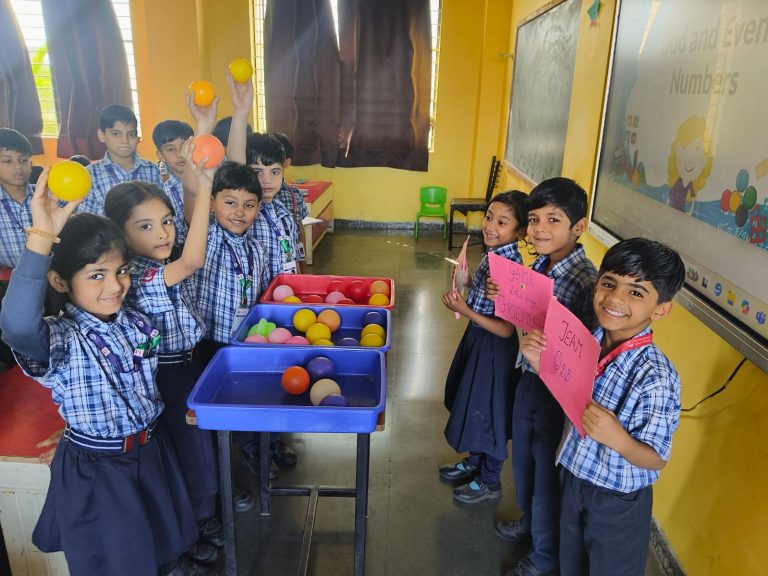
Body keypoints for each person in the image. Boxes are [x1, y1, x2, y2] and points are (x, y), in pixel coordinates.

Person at [0, 169, 211, 576]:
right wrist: (41, 239)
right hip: (101, 468)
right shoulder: (62, 338)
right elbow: (18, 327)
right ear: (60, 281)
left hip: (149, 450)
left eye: (121, 271)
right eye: (96, 275)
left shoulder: (134, 321)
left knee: (158, 541)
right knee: (118, 561)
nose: (114, 286)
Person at [527, 238, 685, 576]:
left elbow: (657, 458)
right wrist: (540, 364)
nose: (615, 298)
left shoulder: (656, 377)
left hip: (617, 500)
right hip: (573, 475)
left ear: (660, 309)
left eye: (636, 292)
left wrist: (619, 439)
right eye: (609, 283)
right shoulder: (586, 341)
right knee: (571, 563)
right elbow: (569, 396)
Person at [104, 147, 224, 552]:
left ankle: (202, 514)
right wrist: (206, 191)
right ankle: (195, 524)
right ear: (121, 234)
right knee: (186, 447)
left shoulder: (160, 259)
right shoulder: (136, 273)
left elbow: (187, 213)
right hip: (164, 374)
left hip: (190, 363)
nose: (162, 233)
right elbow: (192, 261)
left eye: (166, 221)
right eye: (146, 226)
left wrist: (197, 183)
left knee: (199, 442)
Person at [491, 177, 598, 576]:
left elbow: (585, 352)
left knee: (546, 469)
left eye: (553, 220)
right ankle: (531, 521)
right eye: (534, 219)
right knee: (524, 461)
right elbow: (529, 314)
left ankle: (545, 553)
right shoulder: (541, 263)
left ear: (578, 227)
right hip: (530, 378)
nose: (539, 229)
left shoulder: (586, 281)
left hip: (556, 392)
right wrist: (502, 294)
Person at [439, 191, 528, 504]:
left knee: (490, 412)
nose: (490, 226)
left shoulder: (511, 266)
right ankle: (475, 462)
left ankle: (490, 481)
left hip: (493, 348)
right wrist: (466, 280)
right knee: (474, 403)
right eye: (489, 217)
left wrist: (465, 310)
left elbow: (506, 328)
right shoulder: (495, 254)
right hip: (478, 338)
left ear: (520, 232)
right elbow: (487, 297)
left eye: (502, 222)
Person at [191, 161, 270, 364]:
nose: (239, 212)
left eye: (249, 205)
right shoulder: (207, 238)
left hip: (243, 338)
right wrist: (203, 185)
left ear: (258, 208)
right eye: (230, 203)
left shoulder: (258, 249)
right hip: (206, 342)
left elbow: (262, 294)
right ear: (211, 203)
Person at [79, 104, 163, 215]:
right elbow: (87, 219)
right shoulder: (89, 175)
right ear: (102, 135)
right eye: (116, 134)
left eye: (131, 134)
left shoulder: (152, 169)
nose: (125, 140)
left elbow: (161, 207)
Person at [0, 128, 35, 369]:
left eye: (23, 160)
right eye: (7, 161)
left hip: (49, 278)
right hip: (9, 284)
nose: (18, 167)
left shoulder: (48, 196)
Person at [271, 132, 309, 272]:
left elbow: (299, 233)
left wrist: (304, 268)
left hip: (289, 264)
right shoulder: (253, 197)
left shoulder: (294, 195)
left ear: (287, 162)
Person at [152, 120, 195, 245]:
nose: (180, 154)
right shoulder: (162, 192)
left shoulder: (209, 178)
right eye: (171, 149)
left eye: (184, 147)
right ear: (160, 155)